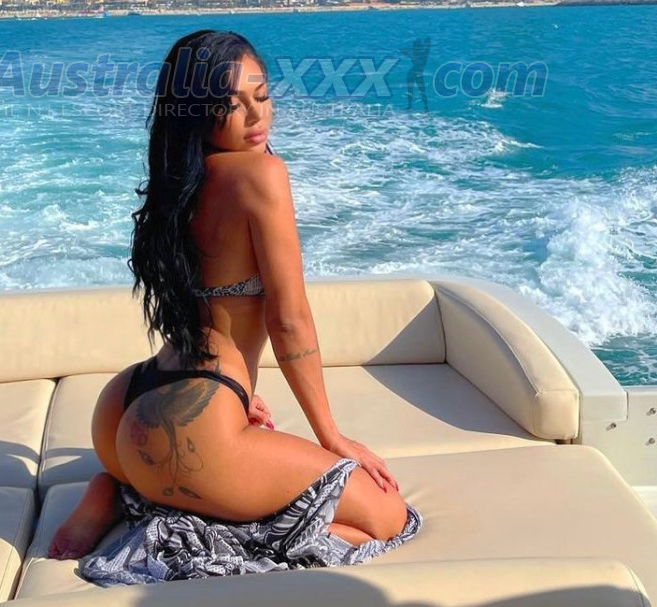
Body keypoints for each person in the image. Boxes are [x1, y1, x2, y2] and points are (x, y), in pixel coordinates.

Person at [48, 29, 411, 561]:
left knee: (220, 472)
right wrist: (331, 435)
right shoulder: (262, 175)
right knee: (387, 516)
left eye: (261, 96)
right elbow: (289, 321)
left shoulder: (177, 181)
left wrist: (236, 400)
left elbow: (200, 309)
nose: (255, 115)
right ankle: (152, 507)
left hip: (128, 405)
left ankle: (122, 493)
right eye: (229, 104)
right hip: (190, 429)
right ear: (195, 111)